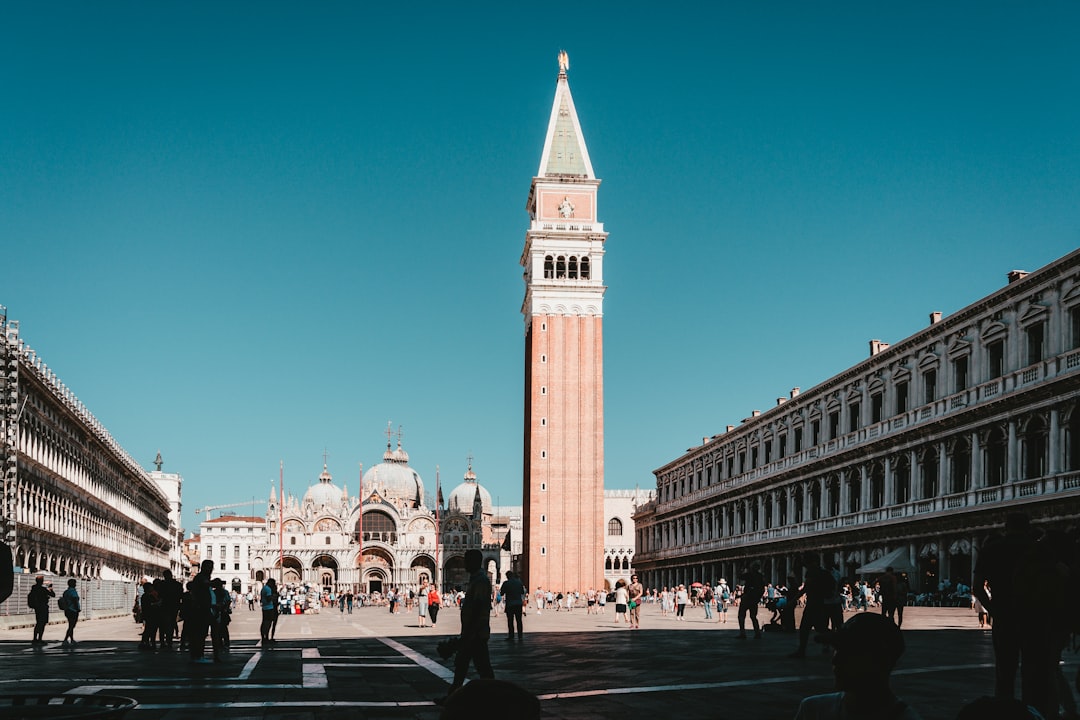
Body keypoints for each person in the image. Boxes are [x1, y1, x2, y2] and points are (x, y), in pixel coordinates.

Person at [973, 513, 1058, 718]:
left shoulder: (991, 549)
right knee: (1034, 674)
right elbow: (1055, 582)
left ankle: (1005, 714)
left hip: (1004, 618)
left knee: (1004, 673)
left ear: (1006, 526)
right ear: (1028, 526)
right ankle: (1034, 714)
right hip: (1035, 620)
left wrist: (994, 611)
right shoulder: (1040, 549)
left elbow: (977, 588)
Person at [794, 613, 921, 719]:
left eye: (850, 653)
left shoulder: (816, 710)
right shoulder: (811, 709)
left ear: (881, 661)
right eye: (837, 649)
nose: (836, 660)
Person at [437, 549, 494, 704]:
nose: (464, 564)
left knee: (481, 668)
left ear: (475, 562)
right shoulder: (477, 579)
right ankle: (452, 697)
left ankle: (495, 697)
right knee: (463, 666)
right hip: (473, 632)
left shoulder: (481, 581)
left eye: (467, 561)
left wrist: (470, 633)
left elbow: (478, 607)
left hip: (475, 633)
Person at [790, 552, 837, 658]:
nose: (805, 565)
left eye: (807, 562)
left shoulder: (812, 572)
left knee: (809, 628)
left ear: (813, 562)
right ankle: (839, 641)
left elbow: (806, 588)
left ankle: (840, 641)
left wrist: (793, 600)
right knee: (819, 628)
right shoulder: (821, 572)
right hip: (819, 603)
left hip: (814, 604)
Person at [188, 559, 215, 663]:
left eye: (211, 567)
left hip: (202, 608)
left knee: (201, 633)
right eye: (209, 567)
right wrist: (213, 583)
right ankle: (197, 656)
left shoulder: (201, 578)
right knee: (199, 633)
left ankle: (198, 655)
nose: (211, 570)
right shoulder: (201, 578)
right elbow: (205, 584)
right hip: (200, 609)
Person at [738, 563, 765, 639]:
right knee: (753, 616)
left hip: (747, 598)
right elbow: (762, 589)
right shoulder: (760, 576)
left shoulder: (749, 574)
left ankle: (742, 633)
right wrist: (758, 597)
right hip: (755, 599)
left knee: (741, 615)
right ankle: (757, 633)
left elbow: (739, 576)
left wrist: (742, 568)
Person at [28, 575, 55, 645]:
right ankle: (39, 638)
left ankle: (34, 638)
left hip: (37, 608)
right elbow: (53, 595)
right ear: (42, 581)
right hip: (43, 607)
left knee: (38, 623)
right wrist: (50, 588)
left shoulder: (34, 589)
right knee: (42, 623)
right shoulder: (42, 589)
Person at [500, 571, 525, 640]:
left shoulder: (506, 583)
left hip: (510, 604)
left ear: (507, 576)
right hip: (518, 603)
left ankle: (511, 636)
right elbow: (522, 592)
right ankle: (520, 636)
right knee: (519, 620)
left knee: (510, 621)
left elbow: (502, 593)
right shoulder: (519, 583)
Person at [60, 579, 80, 647]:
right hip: (73, 610)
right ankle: (65, 639)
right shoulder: (73, 592)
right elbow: (75, 600)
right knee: (72, 626)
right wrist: (77, 609)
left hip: (67, 610)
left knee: (70, 625)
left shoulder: (66, 592)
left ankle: (71, 639)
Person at [260, 578, 278, 645]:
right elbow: (269, 598)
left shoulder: (264, 588)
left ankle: (264, 637)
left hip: (265, 607)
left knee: (265, 622)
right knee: (267, 623)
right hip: (269, 608)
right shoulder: (268, 589)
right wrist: (274, 597)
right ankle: (266, 638)